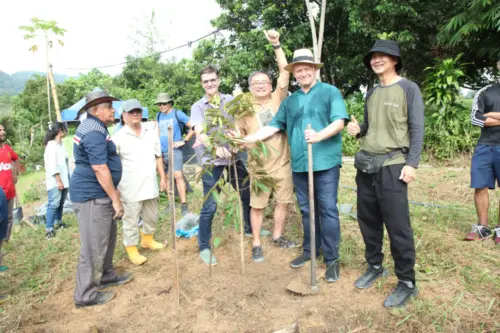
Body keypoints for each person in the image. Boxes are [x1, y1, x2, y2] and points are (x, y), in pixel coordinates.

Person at [242, 48, 348, 282]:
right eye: (297, 70)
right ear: (295, 74)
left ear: (314, 70)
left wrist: (319, 136)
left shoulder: (330, 92)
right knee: (307, 210)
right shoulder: (290, 101)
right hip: (300, 165)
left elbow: (339, 121)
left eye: (306, 69)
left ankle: (332, 259)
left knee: (328, 210)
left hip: (325, 163)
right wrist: (250, 138)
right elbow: (275, 125)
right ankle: (310, 251)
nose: (302, 73)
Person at [346, 40, 424, 308]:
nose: (376, 60)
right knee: (367, 219)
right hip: (366, 164)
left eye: (382, 56)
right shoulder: (372, 91)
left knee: (398, 225)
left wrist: (412, 164)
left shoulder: (408, 88)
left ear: (394, 60)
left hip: (394, 164)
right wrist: (358, 130)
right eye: (373, 57)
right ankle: (375, 266)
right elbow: (369, 126)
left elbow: (417, 128)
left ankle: (407, 282)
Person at [191, 66, 265, 265]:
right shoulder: (198, 106)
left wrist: (236, 141)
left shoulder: (230, 101)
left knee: (246, 191)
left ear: (219, 80)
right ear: (202, 84)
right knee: (210, 205)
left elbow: (238, 124)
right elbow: (201, 132)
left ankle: (250, 228)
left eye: (212, 80)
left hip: (233, 158)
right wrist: (216, 149)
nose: (210, 84)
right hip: (211, 161)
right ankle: (204, 246)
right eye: (206, 81)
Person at [235, 30, 297, 263]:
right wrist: (233, 139)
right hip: (258, 167)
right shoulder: (242, 107)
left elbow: (285, 70)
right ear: (250, 86)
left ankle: (277, 235)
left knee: (283, 202)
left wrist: (276, 45)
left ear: (271, 85)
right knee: (257, 206)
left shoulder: (277, 99)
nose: (260, 85)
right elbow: (238, 137)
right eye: (255, 83)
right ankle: (257, 243)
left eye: (264, 82)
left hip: (282, 162)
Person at [70, 90, 131, 308]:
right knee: (93, 246)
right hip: (92, 196)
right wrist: (115, 199)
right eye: (109, 107)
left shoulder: (95, 126)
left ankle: (106, 275)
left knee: (107, 237)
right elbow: (99, 167)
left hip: (99, 194)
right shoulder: (93, 132)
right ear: (96, 110)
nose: (113, 110)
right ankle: (85, 296)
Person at [113, 99, 167, 265]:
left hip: (150, 184)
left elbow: (158, 156)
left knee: (152, 216)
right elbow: (113, 165)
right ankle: (132, 249)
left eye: (138, 111)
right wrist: (115, 189)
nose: (135, 114)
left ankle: (147, 240)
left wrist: (163, 178)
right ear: (124, 116)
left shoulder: (149, 133)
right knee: (130, 219)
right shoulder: (118, 138)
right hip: (130, 187)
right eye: (131, 112)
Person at [465, 53, 500, 244]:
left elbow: (484, 117)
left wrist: (492, 115)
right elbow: (475, 118)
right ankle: (483, 228)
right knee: (480, 186)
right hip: (485, 146)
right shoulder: (485, 91)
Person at [155, 93, 194, 216]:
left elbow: (193, 127)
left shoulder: (178, 114)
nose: (162, 106)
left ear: (170, 103)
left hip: (175, 150)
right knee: (166, 177)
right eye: (159, 104)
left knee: (178, 176)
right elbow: (159, 132)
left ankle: (183, 204)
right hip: (162, 152)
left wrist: (184, 141)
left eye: (164, 103)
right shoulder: (158, 115)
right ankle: (171, 203)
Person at [43, 122, 70, 239]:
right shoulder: (51, 146)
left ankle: (58, 222)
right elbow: (53, 165)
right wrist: (58, 180)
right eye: (64, 130)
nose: (66, 132)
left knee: (60, 204)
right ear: (60, 131)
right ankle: (49, 229)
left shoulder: (61, 145)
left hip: (64, 179)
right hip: (55, 181)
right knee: (53, 204)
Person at [0, 124, 19, 242]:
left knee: (9, 217)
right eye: (0, 130)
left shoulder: (7, 148)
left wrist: (15, 174)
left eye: (3, 129)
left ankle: (6, 241)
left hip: (10, 190)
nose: (3, 132)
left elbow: (16, 159)